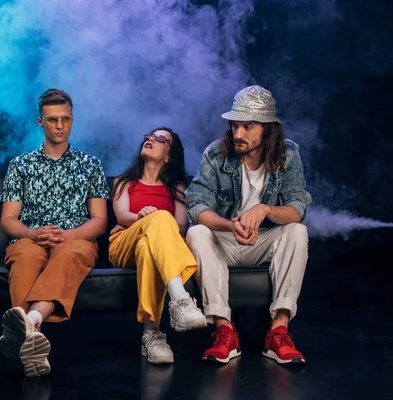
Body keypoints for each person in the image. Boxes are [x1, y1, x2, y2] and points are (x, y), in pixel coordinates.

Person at [185, 85, 312, 365]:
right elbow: (196, 206)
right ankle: (224, 332)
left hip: (264, 241)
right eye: (235, 126)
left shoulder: (288, 154)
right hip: (226, 240)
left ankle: (278, 331)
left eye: (248, 126)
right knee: (196, 232)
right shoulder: (216, 154)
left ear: (267, 128)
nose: (238, 134)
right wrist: (230, 225)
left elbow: (297, 208)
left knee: (297, 231)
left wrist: (265, 208)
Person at [0, 88, 109, 377]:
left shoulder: (90, 164)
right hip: (29, 238)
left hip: (75, 240)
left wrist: (67, 235)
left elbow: (99, 221)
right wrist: (33, 233)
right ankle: (31, 342)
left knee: (70, 254)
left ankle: (29, 323)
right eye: (52, 120)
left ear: (72, 120)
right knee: (24, 256)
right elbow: (8, 221)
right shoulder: (20, 165)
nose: (59, 126)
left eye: (65, 119)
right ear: (40, 122)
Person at [108, 127, 206, 365]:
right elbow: (122, 216)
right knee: (160, 219)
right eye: (149, 136)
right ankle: (180, 301)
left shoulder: (178, 187)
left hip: (148, 246)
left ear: (168, 156)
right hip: (122, 244)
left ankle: (152, 335)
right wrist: (147, 218)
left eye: (160, 139)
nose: (151, 139)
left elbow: (181, 225)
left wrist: (152, 223)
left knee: (146, 247)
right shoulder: (124, 182)